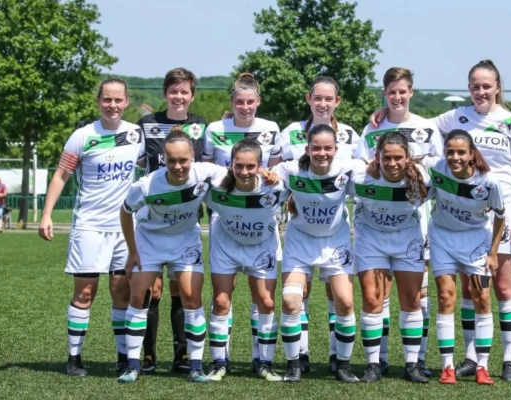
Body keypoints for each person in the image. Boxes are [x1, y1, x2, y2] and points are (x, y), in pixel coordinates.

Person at [370, 59, 511, 382]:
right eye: (475, 86)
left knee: (503, 286)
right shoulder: (457, 116)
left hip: (503, 210)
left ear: (498, 87)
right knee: (468, 289)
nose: (481, 91)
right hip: (464, 213)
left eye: (486, 86)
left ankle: (509, 360)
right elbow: (417, 125)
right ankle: (471, 358)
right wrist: (387, 113)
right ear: (468, 88)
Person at [38, 78, 144, 376]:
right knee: (85, 292)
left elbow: (149, 167)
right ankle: (74, 358)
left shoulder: (135, 134)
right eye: (107, 99)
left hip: (125, 228)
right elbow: (61, 175)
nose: (112, 105)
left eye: (118, 100)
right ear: (98, 101)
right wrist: (46, 215)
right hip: (89, 227)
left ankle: (123, 358)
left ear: (127, 102)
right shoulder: (83, 136)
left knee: (121, 291)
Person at [117, 128, 229, 383]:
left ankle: (196, 366)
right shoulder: (146, 185)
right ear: (163, 160)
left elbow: (237, 175)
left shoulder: (206, 173)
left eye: (183, 160)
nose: (178, 166)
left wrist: (265, 174)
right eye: (172, 161)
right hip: (150, 239)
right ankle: (132, 366)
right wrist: (132, 251)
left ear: (193, 157)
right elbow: (125, 211)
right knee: (139, 296)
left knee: (191, 296)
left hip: (185, 239)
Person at [355, 67, 443, 377]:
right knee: (375, 296)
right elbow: (360, 166)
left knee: (417, 295)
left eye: (402, 91)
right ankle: (376, 360)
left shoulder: (427, 127)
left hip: (413, 222)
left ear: (411, 92)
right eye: (391, 92)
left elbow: (440, 169)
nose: (397, 97)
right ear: (384, 93)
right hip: (373, 223)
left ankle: (416, 361)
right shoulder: (371, 129)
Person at [277, 76, 360, 374]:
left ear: (337, 148)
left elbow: (372, 179)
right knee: (292, 300)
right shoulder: (289, 167)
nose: (322, 153)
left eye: (328, 148)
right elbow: (266, 178)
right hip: (300, 239)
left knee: (345, 302)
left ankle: (341, 363)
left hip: (335, 240)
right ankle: (296, 361)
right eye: (316, 148)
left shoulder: (349, 164)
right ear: (307, 148)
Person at [202, 72, 282, 372]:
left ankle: (262, 360)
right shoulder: (215, 129)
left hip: (260, 217)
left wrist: (270, 178)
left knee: (265, 300)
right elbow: (206, 169)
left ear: (258, 101)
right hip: (226, 215)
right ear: (232, 102)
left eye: (250, 102)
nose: (245, 107)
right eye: (239, 102)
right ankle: (220, 361)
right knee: (222, 299)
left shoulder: (271, 128)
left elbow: (277, 171)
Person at [135, 67, 207, 374]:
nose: (179, 96)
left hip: (185, 218)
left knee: (182, 289)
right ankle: (148, 356)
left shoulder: (201, 125)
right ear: (165, 93)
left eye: (184, 91)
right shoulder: (146, 124)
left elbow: (208, 166)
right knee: (153, 289)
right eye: (173, 91)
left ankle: (181, 355)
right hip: (151, 219)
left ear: (192, 95)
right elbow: (138, 161)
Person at [349, 131, 431, 383]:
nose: (392, 163)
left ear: (408, 157)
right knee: (372, 299)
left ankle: (412, 365)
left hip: (407, 239)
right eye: (386, 158)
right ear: (377, 156)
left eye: (398, 158)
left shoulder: (423, 178)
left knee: (412, 300)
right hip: (370, 239)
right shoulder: (361, 176)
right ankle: (374, 364)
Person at [429, 129, 506, 385]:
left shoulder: (489, 182)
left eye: (461, 152)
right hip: (442, 238)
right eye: (450, 152)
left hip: (476, 242)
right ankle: (447, 367)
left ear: (471, 154)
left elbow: (500, 216)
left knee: (482, 297)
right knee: (445, 297)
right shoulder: (436, 169)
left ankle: (482, 366)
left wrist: (493, 253)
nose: (455, 157)